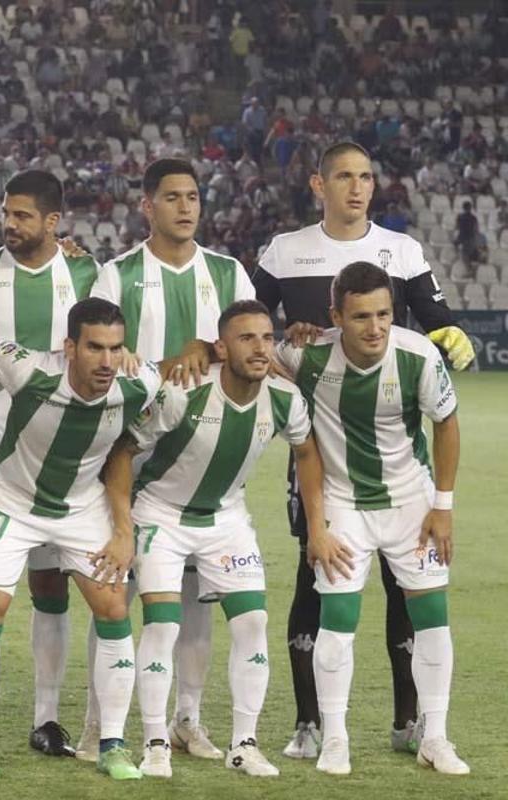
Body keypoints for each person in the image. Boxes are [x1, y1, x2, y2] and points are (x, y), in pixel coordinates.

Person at [251, 141, 473, 759]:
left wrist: (448, 334)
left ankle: (415, 725)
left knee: (412, 596)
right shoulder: (286, 251)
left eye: (366, 176)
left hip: (400, 461)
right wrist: (282, 337)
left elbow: (436, 321)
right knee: (314, 579)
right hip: (322, 455)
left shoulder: (399, 252)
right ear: (318, 185)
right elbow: (247, 321)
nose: (357, 187)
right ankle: (312, 724)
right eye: (344, 177)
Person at [0, 299, 160, 782]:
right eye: (95, 348)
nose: (106, 361)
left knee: (114, 608)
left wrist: (203, 348)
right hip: (11, 502)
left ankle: (114, 744)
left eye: (116, 348)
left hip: (81, 507)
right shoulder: (30, 370)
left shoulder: (138, 384)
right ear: (69, 348)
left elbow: (189, 366)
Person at [84, 157, 255, 762]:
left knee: (194, 597)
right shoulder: (117, 274)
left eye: (194, 196)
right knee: (116, 594)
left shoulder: (228, 273)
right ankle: (98, 722)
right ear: (147, 206)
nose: (186, 207)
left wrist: (205, 346)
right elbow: (99, 350)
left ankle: (187, 718)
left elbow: (249, 339)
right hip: (127, 451)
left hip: (200, 456)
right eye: (173, 197)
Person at [114, 300, 325, 779]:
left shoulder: (285, 399)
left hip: (226, 518)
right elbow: (124, 452)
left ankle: (244, 745)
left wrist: (319, 527)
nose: (260, 348)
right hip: (161, 515)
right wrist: (124, 526)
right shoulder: (184, 392)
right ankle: (154, 744)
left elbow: (308, 454)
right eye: (247, 338)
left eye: (267, 338)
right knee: (163, 626)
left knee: (252, 622)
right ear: (221, 346)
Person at [274, 262, 468, 776]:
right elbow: (247, 354)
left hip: (413, 507)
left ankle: (436, 736)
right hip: (343, 507)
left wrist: (443, 508)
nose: (375, 327)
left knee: (432, 619)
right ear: (336, 316)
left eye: (383, 313)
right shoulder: (306, 354)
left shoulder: (417, 354)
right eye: (360, 316)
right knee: (338, 623)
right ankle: (335, 739)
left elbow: (446, 425)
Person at [0, 169, 101, 760]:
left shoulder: (86, 272)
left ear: (54, 222)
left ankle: (47, 717)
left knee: (49, 582)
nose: (9, 224)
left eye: (22, 216)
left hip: (62, 449)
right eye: (6, 214)